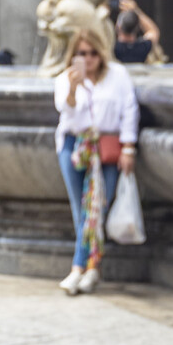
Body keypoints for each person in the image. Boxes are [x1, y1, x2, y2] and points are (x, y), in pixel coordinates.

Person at [54, 29, 139, 295]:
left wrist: (128, 147)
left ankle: (80, 268)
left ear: (101, 53)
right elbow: (65, 109)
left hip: (106, 147)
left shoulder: (117, 75)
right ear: (74, 55)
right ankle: (91, 268)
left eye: (92, 53)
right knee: (82, 209)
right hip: (74, 145)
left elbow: (129, 109)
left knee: (97, 208)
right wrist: (73, 88)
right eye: (82, 53)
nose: (88, 59)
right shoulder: (65, 78)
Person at [113, 0, 160, 64]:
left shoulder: (113, 48)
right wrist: (135, 10)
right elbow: (153, 31)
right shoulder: (142, 48)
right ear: (137, 28)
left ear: (118, 27)